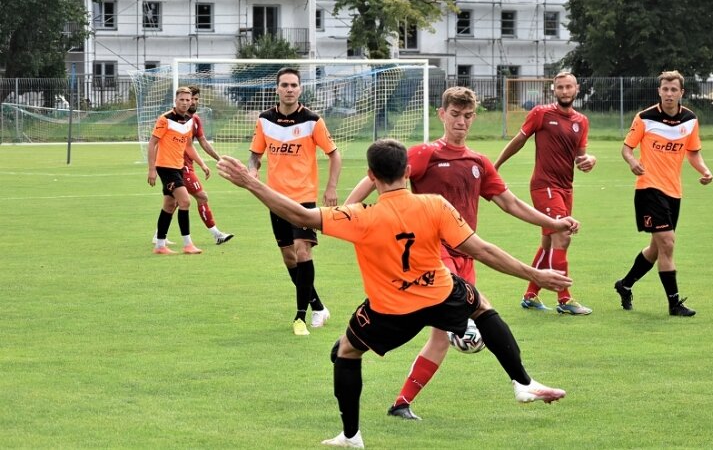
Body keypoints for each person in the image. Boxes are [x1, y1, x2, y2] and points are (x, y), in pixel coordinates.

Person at [217, 139, 571, 450]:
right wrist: (534, 273)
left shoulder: (361, 216)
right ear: (406, 171)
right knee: (479, 304)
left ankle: (351, 436)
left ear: (371, 176)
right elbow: (482, 250)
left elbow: (299, 214)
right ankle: (523, 382)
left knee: (347, 351)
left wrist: (250, 182)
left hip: (390, 310)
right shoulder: (435, 205)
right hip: (440, 293)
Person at [345, 86, 579, 421]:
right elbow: (380, 175)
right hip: (433, 252)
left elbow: (509, 203)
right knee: (476, 311)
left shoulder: (478, 162)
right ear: (442, 115)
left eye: (467, 116)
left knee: (439, 339)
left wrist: (553, 223)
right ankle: (508, 369)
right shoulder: (426, 153)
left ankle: (401, 402)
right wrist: (351, 208)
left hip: (465, 253)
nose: (461, 122)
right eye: (454, 115)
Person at [248, 67, 342, 336]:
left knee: (303, 252)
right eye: (284, 85)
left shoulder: (313, 121)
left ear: (300, 89)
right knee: (290, 258)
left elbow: (334, 155)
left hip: (304, 200)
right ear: (277, 89)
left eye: (294, 85)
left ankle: (301, 317)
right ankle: (318, 306)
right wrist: (252, 170)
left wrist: (331, 187)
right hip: (276, 199)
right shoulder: (264, 120)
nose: (289, 89)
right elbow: (255, 154)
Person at [494, 71, 597, 315]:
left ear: (576, 89)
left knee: (549, 242)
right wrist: (495, 166)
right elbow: (519, 140)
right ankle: (564, 299)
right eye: (559, 87)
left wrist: (590, 159)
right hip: (544, 186)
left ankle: (531, 295)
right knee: (563, 236)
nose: (564, 91)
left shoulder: (581, 121)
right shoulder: (541, 113)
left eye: (568, 87)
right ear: (554, 89)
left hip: (565, 188)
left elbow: (580, 156)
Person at [615, 70, 713, 316]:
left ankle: (624, 285)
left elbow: (693, 152)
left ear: (681, 92)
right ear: (659, 91)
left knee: (657, 249)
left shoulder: (690, 120)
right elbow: (627, 148)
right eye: (665, 89)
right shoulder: (645, 118)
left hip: (674, 192)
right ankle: (674, 304)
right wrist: (632, 162)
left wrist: (704, 169)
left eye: (673, 90)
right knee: (668, 243)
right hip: (649, 189)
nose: (669, 94)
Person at [152, 85, 234, 246]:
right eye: (188, 99)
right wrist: (154, 167)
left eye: (194, 99)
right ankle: (213, 235)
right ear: (177, 101)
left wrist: (206, 162)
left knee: (173, 202)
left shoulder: (193, 120)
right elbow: (155, 142)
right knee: (199, 197)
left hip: (185, 166)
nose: (193, 103)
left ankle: (159, 237)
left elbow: (195, 144)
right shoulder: (169, 119)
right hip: (178, 167)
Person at [147, 86, 206, 255]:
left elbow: (188, 147)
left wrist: (202, 163)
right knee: (185, 201)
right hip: (165, 167)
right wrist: (151, 169)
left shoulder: (189, 121)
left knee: (169, 204)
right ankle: (188, 244)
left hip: (178, 167)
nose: (186, 103)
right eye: (182, 99)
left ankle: (159, 246)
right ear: (176, 100)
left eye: (188, 100)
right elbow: (152, 143)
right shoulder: (165, 119)